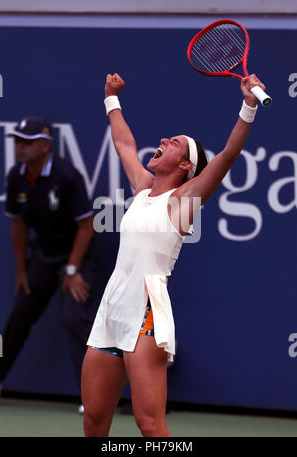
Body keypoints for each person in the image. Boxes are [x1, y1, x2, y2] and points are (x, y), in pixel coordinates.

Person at [81, 72, 266, 436]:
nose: (164, 140)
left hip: (147, 313)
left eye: (175, 142)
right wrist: (111, 99)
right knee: (94, 420)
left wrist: (248, 105)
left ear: (185, 166)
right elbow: (124, 145)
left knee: (150, 425)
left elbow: (227, 157)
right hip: (112, 307)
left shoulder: (183, 201)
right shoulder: (144, 188)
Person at [0, 117, 100, 412]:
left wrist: (71, 270)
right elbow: (18, 225)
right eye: (17, 141)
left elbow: (86, 226)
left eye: (27, 142)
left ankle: (91, 396)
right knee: (19, 314)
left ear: (45, 146)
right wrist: (21, 270)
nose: (20, 147)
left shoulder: (67, 176)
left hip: (78, 258)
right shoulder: (16, 176)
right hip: (43, 257)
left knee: (73, 317)